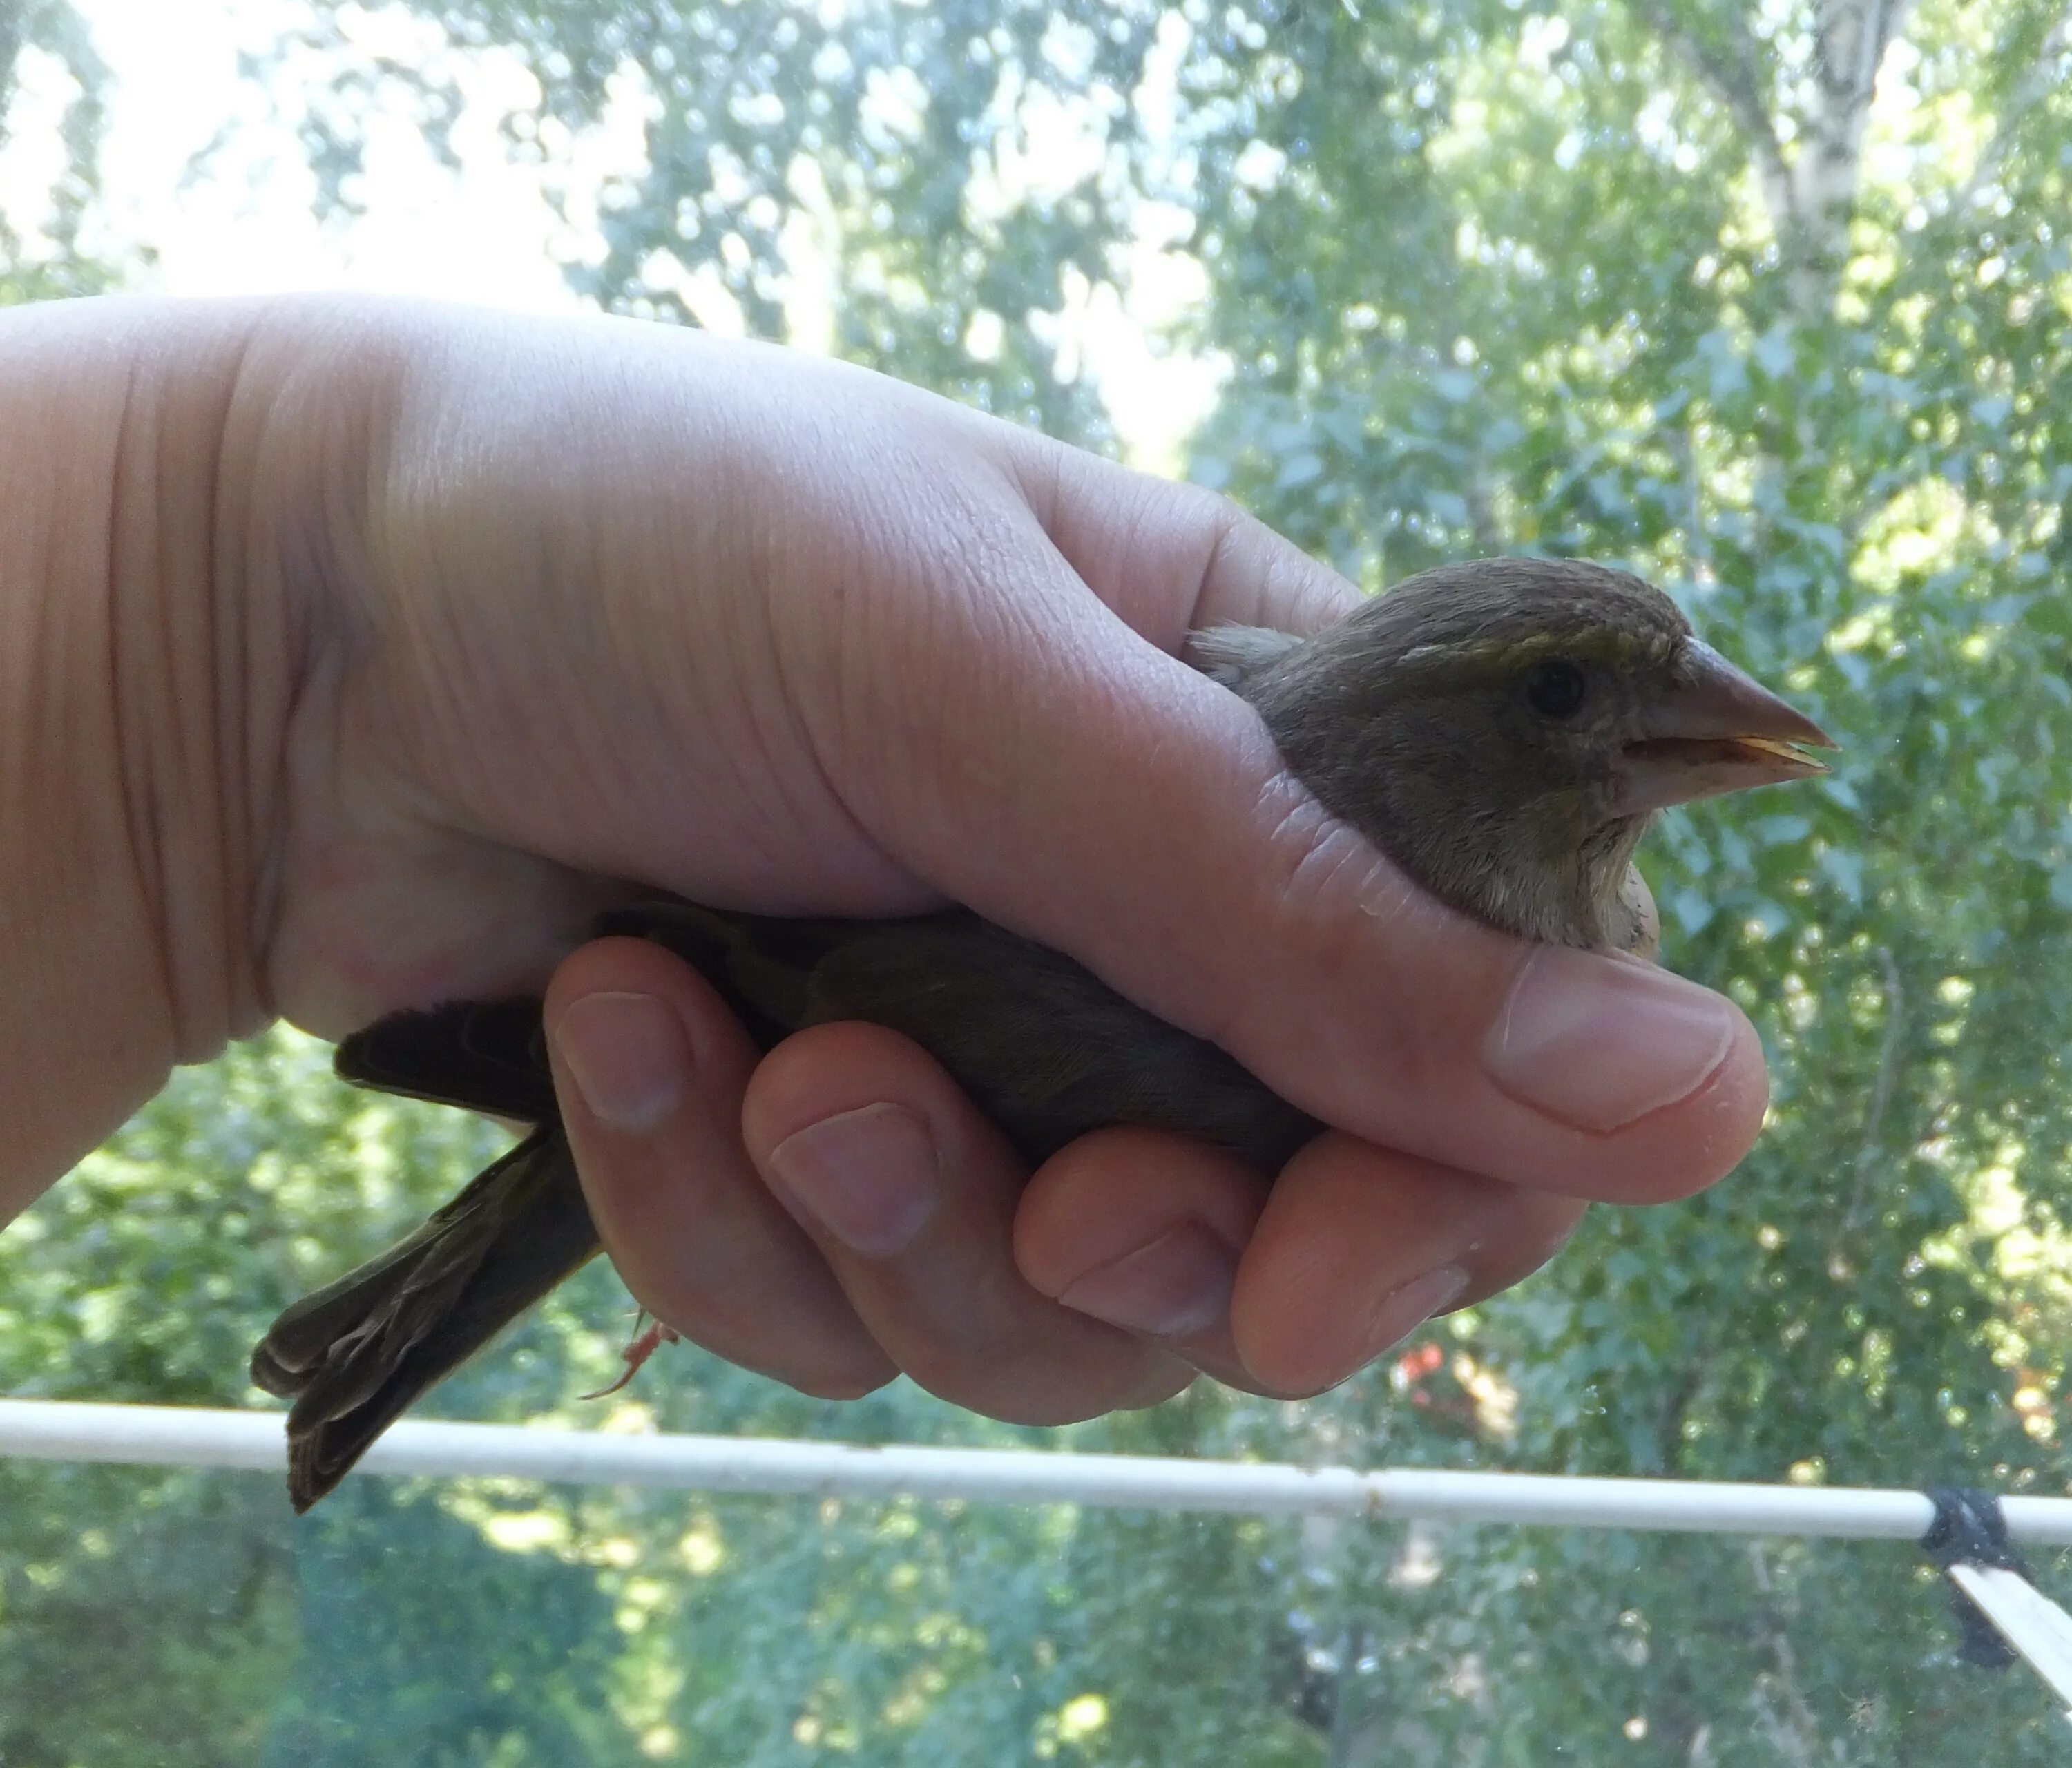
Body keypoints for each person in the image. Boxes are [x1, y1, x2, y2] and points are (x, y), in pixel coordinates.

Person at [0, 293, 1766, 1421]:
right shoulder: (1289, 891)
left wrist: (248, 642)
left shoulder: (1238, 688)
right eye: (1559, 694)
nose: (1702, 717)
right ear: (1445, 718)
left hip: (739, 987)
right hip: (745, 986)